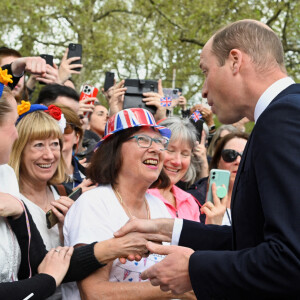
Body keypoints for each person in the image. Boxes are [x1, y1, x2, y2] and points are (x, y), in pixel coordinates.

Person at [115, 19, 300, 299]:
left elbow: (290, 260)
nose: (202, 90)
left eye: (205, 71)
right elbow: (253, 241)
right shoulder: (284, 115)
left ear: (235, 61)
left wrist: (193, 269)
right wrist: (168, 228)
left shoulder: (282, 120)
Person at [63, 108, 196, 299]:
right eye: (143, 139)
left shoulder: (158, 207)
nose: (156, 149)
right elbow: (94, 293)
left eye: (160, 142)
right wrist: (177, 289)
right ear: (114, 149)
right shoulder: (95, 203)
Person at [189, 131, 249, 225]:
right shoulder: (193, 200)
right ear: (217, 161)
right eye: (230, 155)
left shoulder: (263, 201)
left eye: (245, 156)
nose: (238, 161)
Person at [148, 117, 201, 221]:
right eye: (170, 150)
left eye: (185, 154)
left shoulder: (189, 201)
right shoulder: (140, 196)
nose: (177, 161)